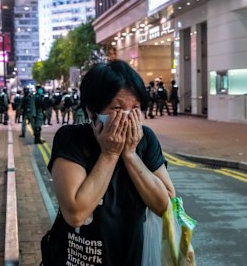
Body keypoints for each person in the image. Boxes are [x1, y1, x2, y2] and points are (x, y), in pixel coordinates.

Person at [42, 60, 175, 266]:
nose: (128, 117)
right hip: (77, 258)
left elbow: (164, 204)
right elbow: (75, 213)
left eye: (135, 108)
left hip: (131, 257)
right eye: (117, 108)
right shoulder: (72, 139)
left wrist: (130, 155)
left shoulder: (146, 140)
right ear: (92, 112)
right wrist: (110, 154)